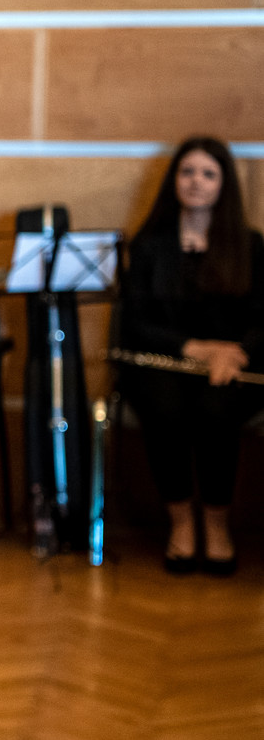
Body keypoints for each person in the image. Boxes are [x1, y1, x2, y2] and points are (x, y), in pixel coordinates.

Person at [119, 135, 264, 574]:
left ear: (224, 184)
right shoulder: (149, 245)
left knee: (216, 412)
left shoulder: (250, 244)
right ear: (174, 180)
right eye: (187, 172)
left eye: (208, 174)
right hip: (163, 361)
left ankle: (217, 524)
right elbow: (135, 323)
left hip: (234, 364)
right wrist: (196, 349)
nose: (196, 181)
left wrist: (237, 353)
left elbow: (263, 317)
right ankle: (180, 521)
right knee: (166, 411)